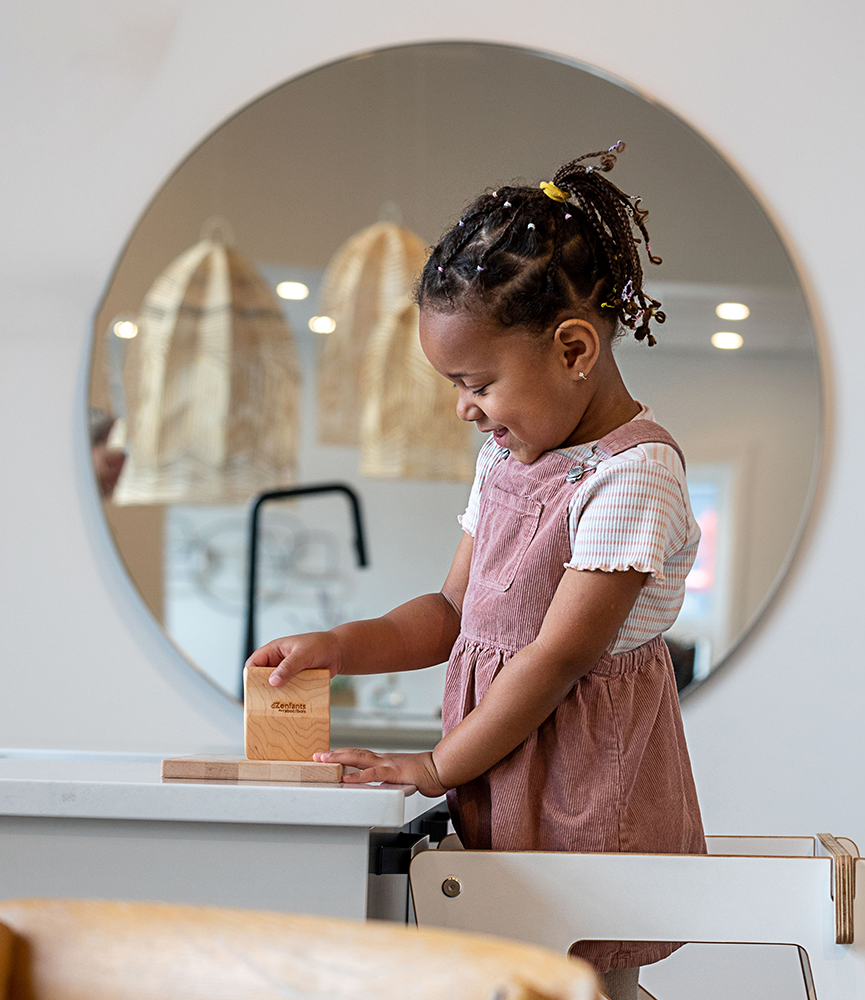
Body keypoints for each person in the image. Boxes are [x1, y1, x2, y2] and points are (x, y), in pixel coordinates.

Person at [247, 143, 706, 1000]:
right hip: (503, 776)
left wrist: (438, 764)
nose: (465, 408)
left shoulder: (631, 473)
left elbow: (556, 658)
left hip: (587, 787)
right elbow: (452, 612)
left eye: (478, 381)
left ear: (574, 349)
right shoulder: (506, 459)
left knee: (588, 982)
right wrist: (339, 646)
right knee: (513, 978)